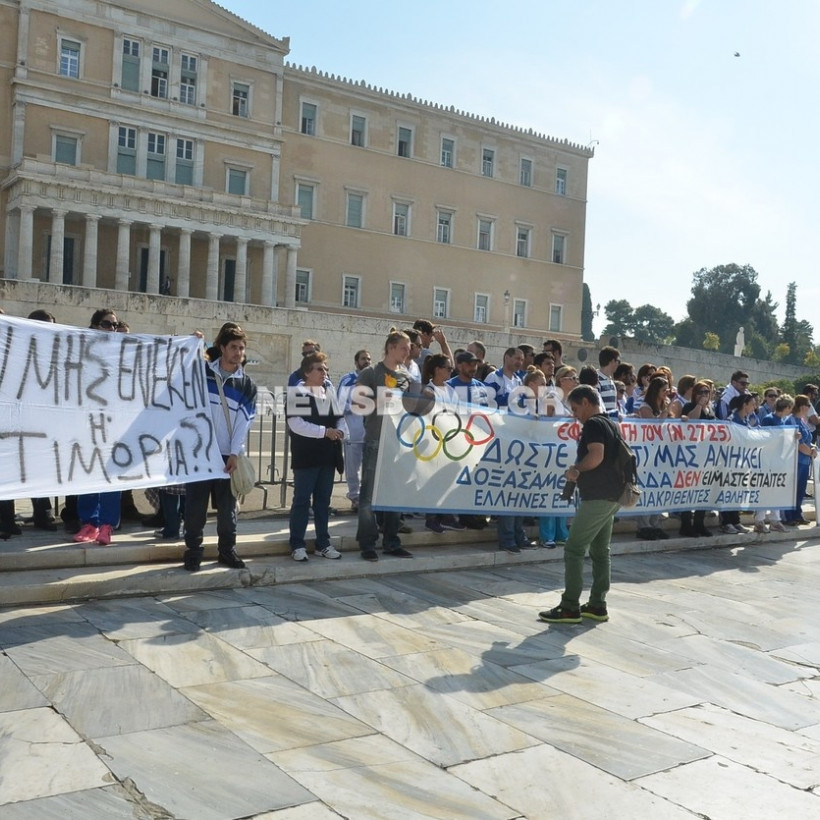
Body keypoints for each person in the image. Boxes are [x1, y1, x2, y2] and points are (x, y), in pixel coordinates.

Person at [538, 385, 624, 624]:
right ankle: (597, 604)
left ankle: (569, 606)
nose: (575, 414)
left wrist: (577, 469)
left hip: (598, 495)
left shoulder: (594, 425)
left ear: (586, 402)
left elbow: (596, 455)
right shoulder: (611, 424)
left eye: (575, 408)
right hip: (613, 495)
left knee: (574, 548)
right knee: (600, 551)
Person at [182, 324, 257, 571]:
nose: (238, 352)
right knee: (195, 508)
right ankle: (193, 551)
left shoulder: (246, 385)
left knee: (227, 511)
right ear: (222, 348)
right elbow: (180, 369)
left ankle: (227, 550)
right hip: (200, 453)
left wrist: (235, 453)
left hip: (227, 455)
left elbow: (243, 423)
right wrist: (194, 343)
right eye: (234, 347)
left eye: (242, 348)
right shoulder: (202, 373)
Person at [353, 330, 415, 561]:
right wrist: (380, 399)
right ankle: (367, 543)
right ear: (390, 347)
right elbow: (358, 404)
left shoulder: (405, 377)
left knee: (394, 494)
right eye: (404, 348)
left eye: (408, 349)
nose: (407, 353)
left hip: (398, 442)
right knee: (368, 495)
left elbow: (412, 407)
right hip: (376, 440)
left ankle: (391, 541)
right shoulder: (371, 373)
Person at [286, 351, 346, 561]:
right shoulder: (298, 393)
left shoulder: (328, 393)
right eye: (320, 369)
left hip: (327, 457)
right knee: (301, 501)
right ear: (307, 372)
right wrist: (324, 432)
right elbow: (296, 424)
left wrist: (340, 431)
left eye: (325, 369)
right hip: (306, 458)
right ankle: (297, 544)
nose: (324, 373)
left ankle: (323, 543)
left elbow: (339, 418)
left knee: (322, 502)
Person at [73, 309, 124, 546]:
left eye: (115, 325)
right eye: (106, 324)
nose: (112, 329)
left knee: (112, 475)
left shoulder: (123, 353)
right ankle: (89, 523)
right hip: (88, 423)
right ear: (94, 326)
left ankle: (106, 525)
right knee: (88, 471)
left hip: (114, 424)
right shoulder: (82, 351)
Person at [337, 349, 372, 511]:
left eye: (369, 359)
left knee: (369, 466)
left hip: (370, 431)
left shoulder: (374, 379)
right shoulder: (347, 380)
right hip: (353, 431)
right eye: (363, 359)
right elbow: (338, 404)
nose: (367, 361)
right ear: (356, 361)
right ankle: (354, 496)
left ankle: (367, 497)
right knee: (352, 466)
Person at [783, 394, 817, 526]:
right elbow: (800, 444)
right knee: (792, 490)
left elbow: (807, 440)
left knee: (800, 490)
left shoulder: (801, 421)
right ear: (802, 406)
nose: (809, 408)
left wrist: (812, 448)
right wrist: (811, 452)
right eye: (808, 405)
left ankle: (797, 513)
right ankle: (789, 516)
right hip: (795, 461)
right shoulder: (791, 420)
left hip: (804, 461)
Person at [596, 345, 620, 419]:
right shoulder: (596, 380)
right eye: (617, 361)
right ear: (612, 361)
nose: (618, 364)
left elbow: (614, 408)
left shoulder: (611, 381)